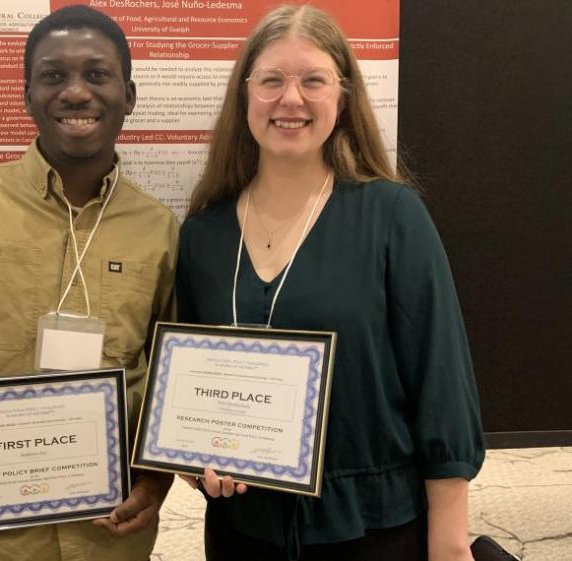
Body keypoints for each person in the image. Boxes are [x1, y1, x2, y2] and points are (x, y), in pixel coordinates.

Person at [176, 5, 484, 561]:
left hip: (374, 531)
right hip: (243, 532)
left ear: (342, 98)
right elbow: (191, 387)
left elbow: (442, 382)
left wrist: (451, 540)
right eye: (271, 80)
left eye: (312, 80)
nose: (290, 99)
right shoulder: (204, 233)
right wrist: (198, 465)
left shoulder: (392, 216)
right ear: (245, 95)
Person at [0, 6, 177, 560]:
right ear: (27, 96)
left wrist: (155, 485)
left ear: (129, 95)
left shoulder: (159, 229)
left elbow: (168, 380)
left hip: (110, 535)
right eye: (52, 75)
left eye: (96, 74)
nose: (75, 92)